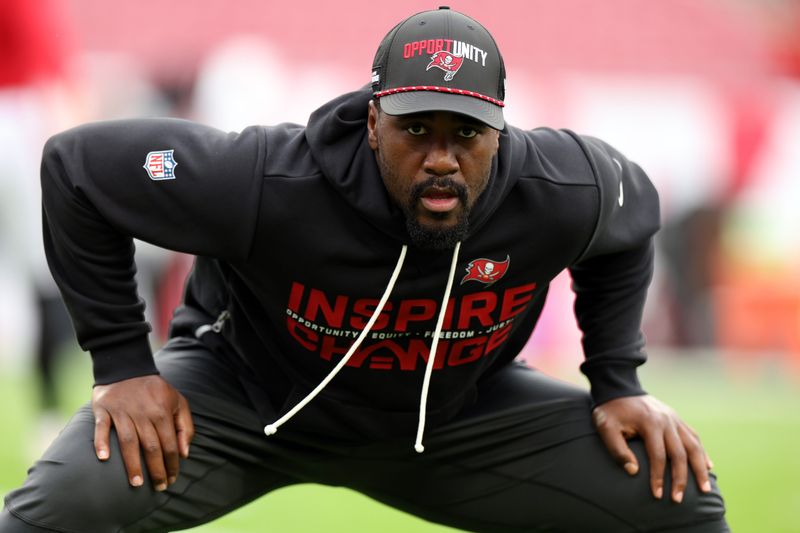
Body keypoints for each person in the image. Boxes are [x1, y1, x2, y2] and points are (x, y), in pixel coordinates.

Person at [1, 7, 728, 532]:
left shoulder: (561, 187)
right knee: (60, 508)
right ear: (374, 118)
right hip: (243, 404)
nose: (441, 157)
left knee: (678, 494)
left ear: (500, 132)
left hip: (454, 419)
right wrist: (124, 364)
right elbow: (76, 168)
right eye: (417, 129)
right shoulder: (268, 179)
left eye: (467, 133)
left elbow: (634, 216)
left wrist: (617, 379)